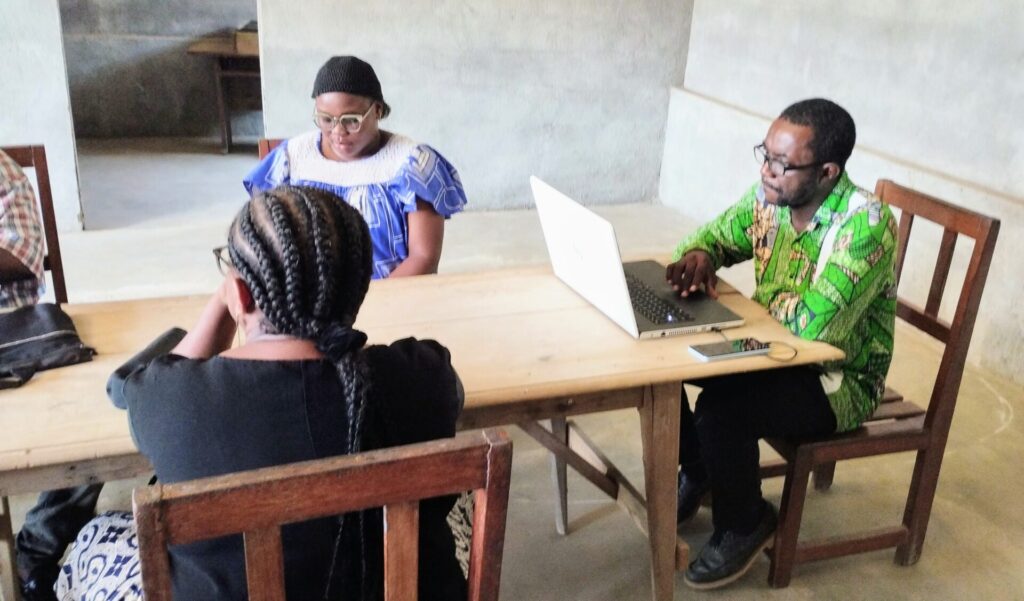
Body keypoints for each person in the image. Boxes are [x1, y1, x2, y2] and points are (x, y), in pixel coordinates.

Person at [56, 185, 466, 600]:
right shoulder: (423, 376)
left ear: (240, 294)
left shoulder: (171, 398)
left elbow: (137, 385)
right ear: (360, 286)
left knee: (96, 535)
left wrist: (227, 301)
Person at [665, 98, 898, 590]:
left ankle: (745, 521)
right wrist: (702, 255)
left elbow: (816, 325)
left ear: (827, 172)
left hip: (837, 379)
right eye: (765, 155)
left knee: (722, 410)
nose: (766, 172)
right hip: (774, 351)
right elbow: (711, 236)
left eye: (782, 164)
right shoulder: (771, 197)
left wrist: (754, 313)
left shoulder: (865, 225)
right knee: (667, 365)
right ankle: (702, 469)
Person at [244, 55, 468, 280]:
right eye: (326, 120)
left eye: (351, 120)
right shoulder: (292, 160)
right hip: (307, 296)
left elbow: (423, 258)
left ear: (377, 110)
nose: (338, 132)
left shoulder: (410, 165)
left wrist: (374, 299)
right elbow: (264, 242)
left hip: (393, 294)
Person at [2, 148, 103, 601]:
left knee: (98, 427)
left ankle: (36, 549)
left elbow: (21, 253)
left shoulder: (1, 170)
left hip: (14, 334)